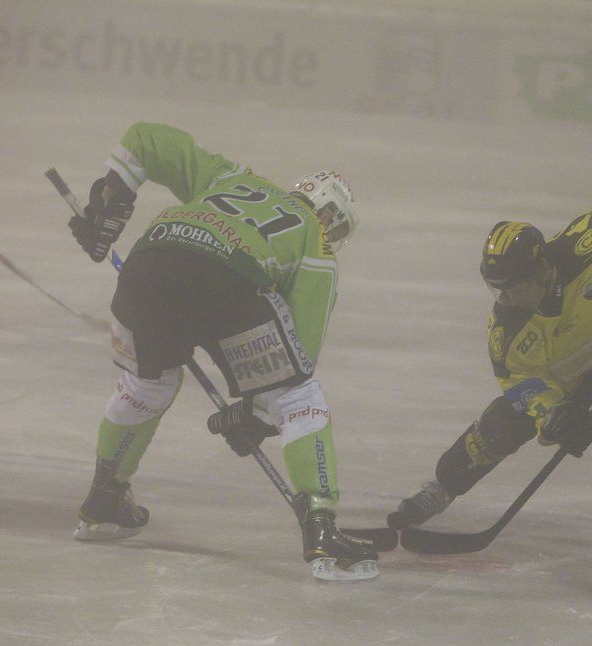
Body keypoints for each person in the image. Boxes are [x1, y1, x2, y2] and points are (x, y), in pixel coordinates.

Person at [68, 122, 377, 582]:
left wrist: (110, 202)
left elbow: (145, 139)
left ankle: (103, 501)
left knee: (147, 384)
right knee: (298, 397)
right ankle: (320, 528)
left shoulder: (233, 177)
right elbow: (299, 354)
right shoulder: (317, 240)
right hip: (227, 276)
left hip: (149, 260)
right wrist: (258, 414)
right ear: (332, 218)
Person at [388, 160, 592, 531]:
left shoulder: (591, 246)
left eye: (514, 288)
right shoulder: (508, 333)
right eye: (497, 289)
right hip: (591, 361)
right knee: (504, 423)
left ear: (541, 271)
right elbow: (521, 384)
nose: (505, 300)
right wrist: (555, 417)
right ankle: (443, 486)